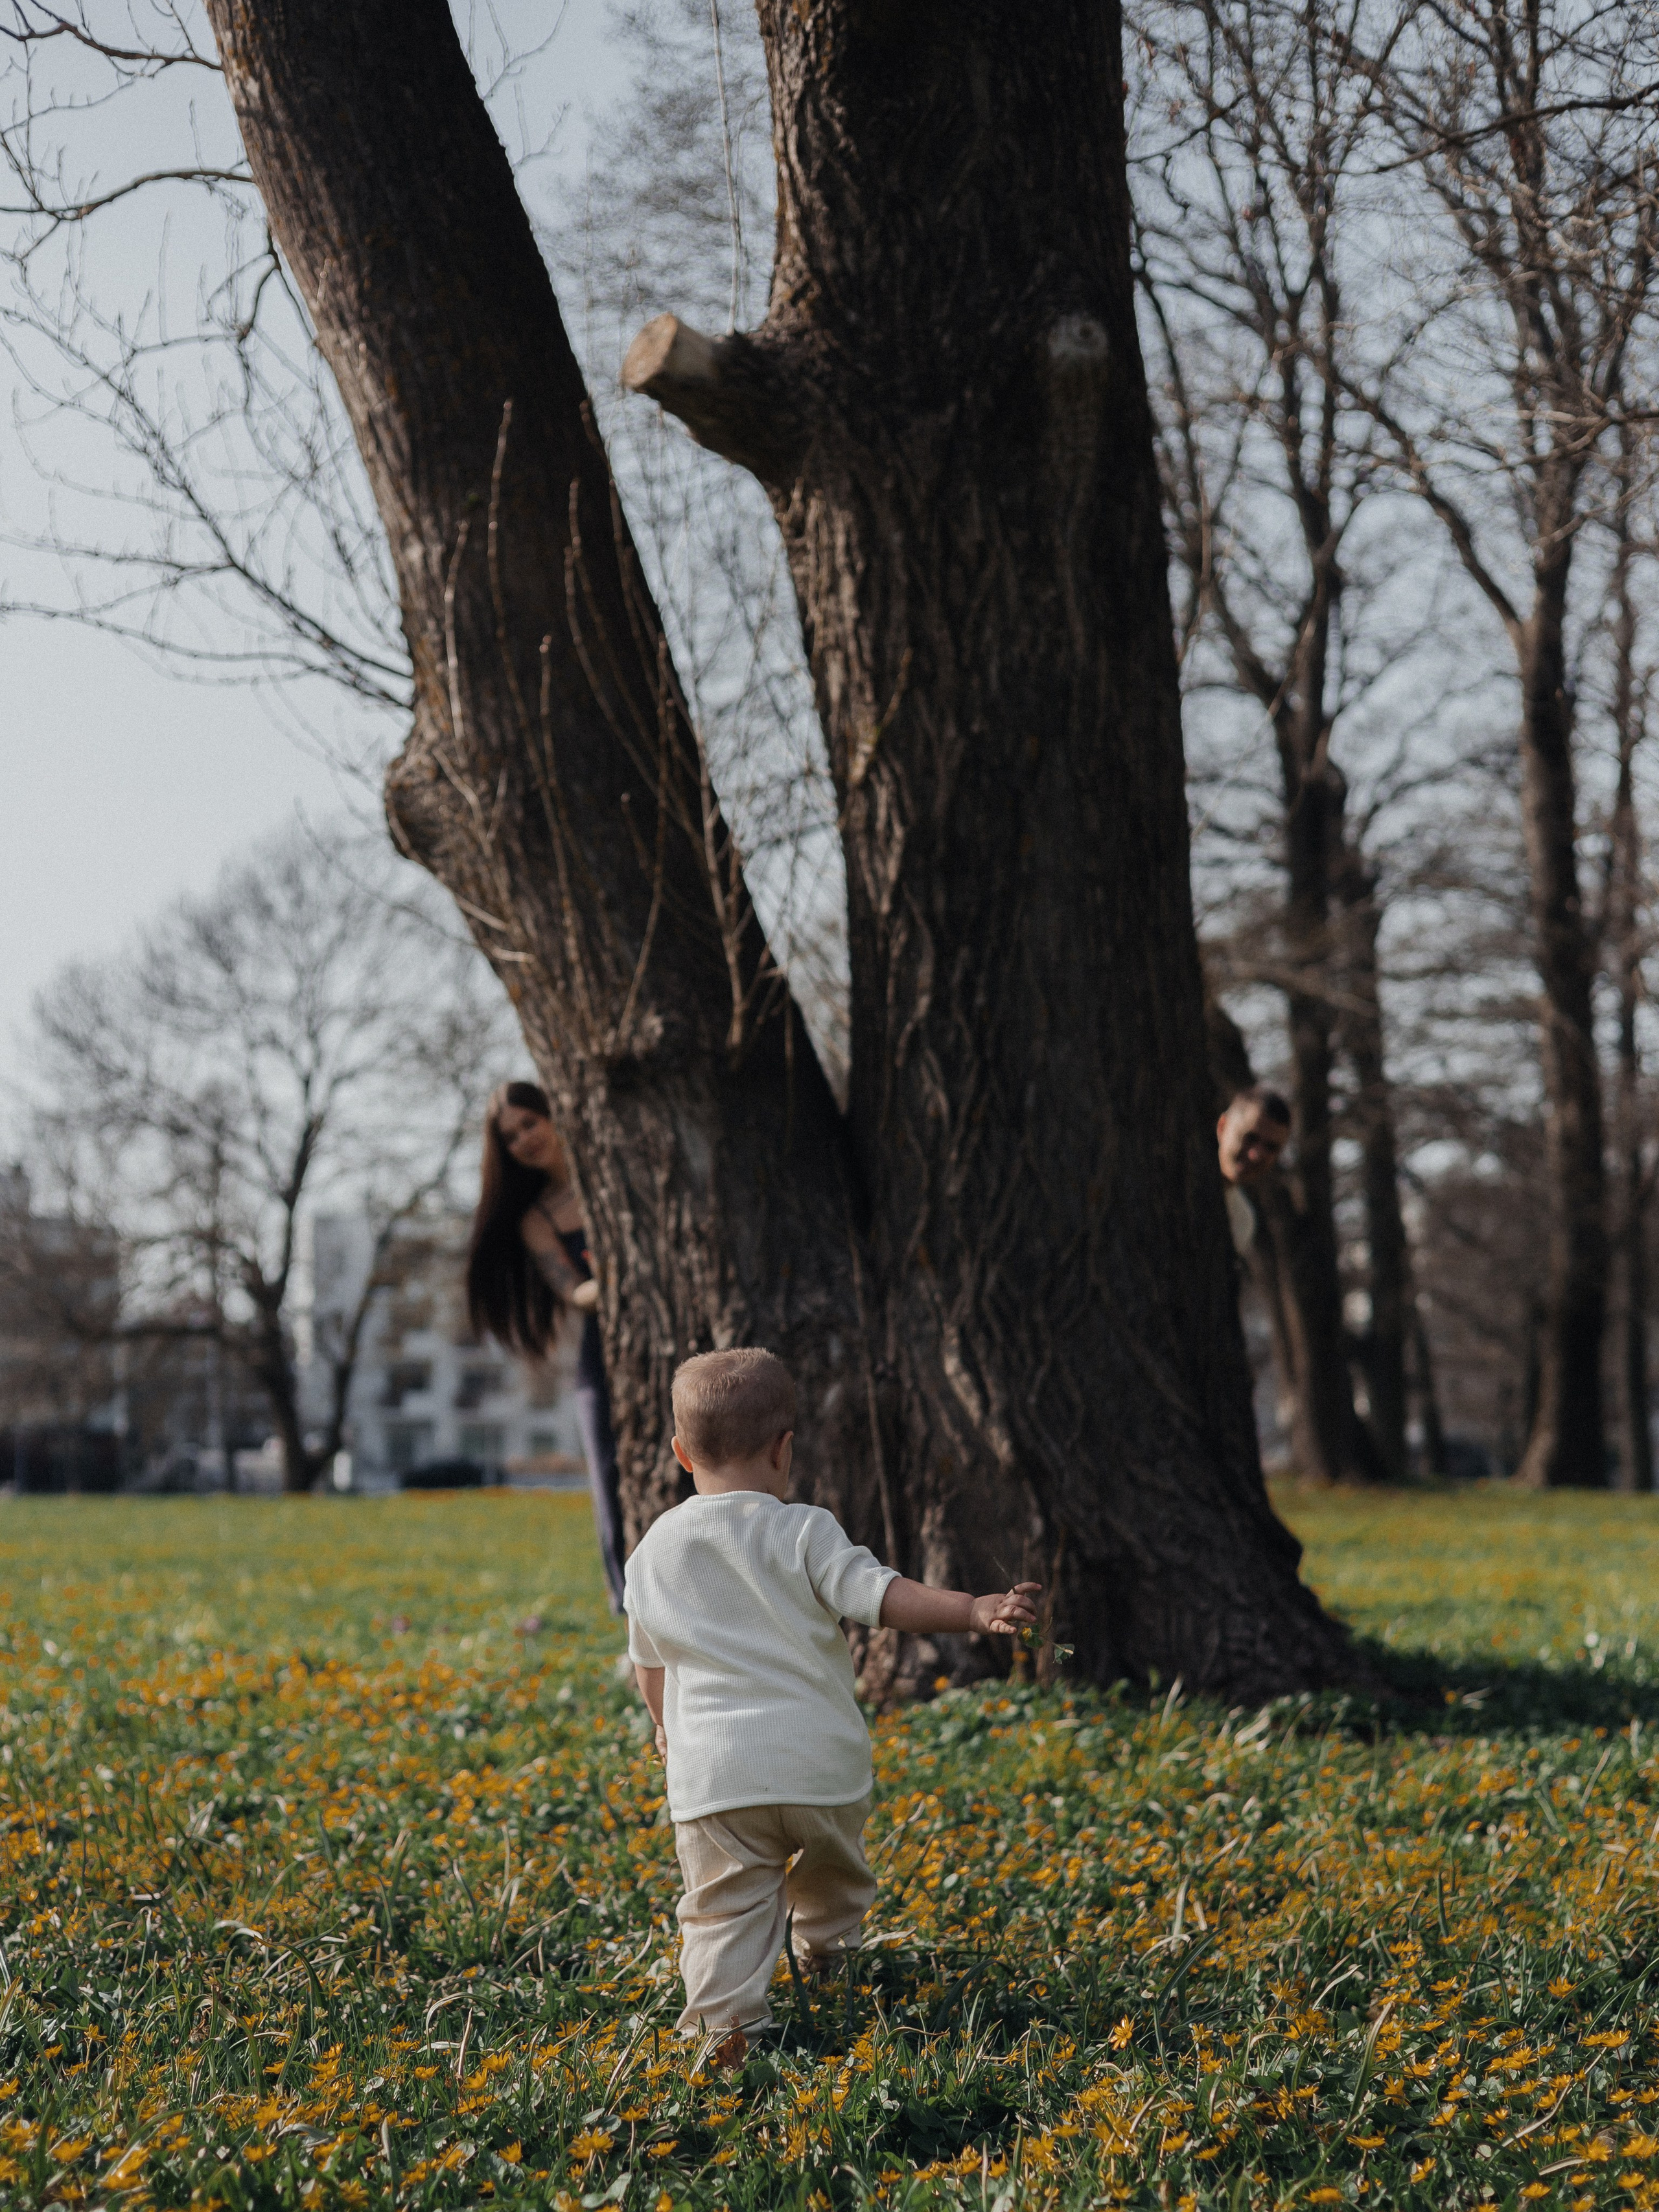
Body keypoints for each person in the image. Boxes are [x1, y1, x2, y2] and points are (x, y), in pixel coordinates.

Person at [625, 1345, 1039, 2062]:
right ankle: (825, 1951)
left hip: (714, 1779)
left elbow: (648, 1658)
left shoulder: (655, 1547)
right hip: (819, 1767)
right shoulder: (804, 1529)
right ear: (785, 1448)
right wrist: (972, 1609)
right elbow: (884, 1598)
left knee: (722, 1909)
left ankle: (724, 2027)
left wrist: (664, 1726)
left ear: (681, 1453)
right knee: (835, 1874)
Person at [465, 1080, 625, 1611]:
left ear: (554, 1113)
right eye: (509, 1137)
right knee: (608, 1481)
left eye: (529, 1123)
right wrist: (606, 1283)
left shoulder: (617, 1172)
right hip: (602, 1354)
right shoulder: (538, 1218)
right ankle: (629, 1614)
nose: (523, 1140)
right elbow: (571, 1288)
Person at [1216, 1084, 1292, 1257]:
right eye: (1250, 1138)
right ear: (1222, 1127)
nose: (1256, 1155)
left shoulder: (1242, 1221)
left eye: (1271, 1147)